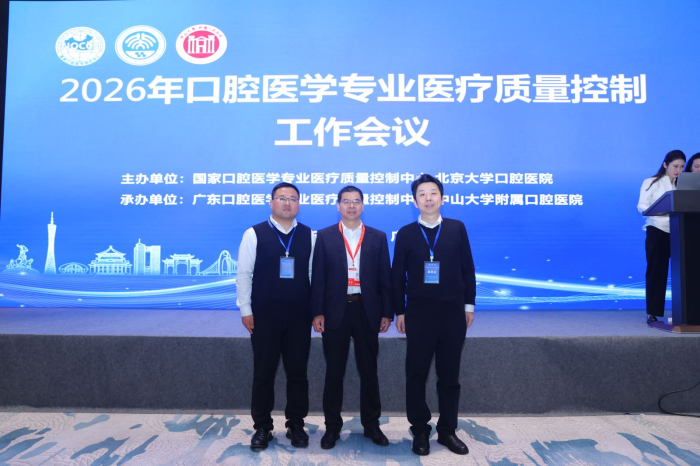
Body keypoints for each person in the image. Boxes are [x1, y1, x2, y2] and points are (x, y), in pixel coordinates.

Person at [391, 174, 475, 457]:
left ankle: (448, 430)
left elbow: (468, 269)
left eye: (433, 193)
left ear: (442, 198)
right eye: (422, 194)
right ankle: (420, 430)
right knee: (416, 373)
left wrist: (469, 306)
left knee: (449, 375)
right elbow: (397, 275)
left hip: (452, 314)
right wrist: (399, 311)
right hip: (419, 315)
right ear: (415, 201)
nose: (428, 198)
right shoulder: (405, 233)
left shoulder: (457, 228)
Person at [311, 185, 393, 449]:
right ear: (338, 206)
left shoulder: (377, 237)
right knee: (334, 372)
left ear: (363, 206)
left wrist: (387, 312)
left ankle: (372, 425)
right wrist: (317, 311)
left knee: (369, 371)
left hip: (367, 310)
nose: (351, 206)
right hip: (335, 310)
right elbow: (318, 277)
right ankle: (332, 427)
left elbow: (385, 277)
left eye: (356, 201)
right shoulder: (325, 236)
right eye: (346, 201)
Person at [236, 182, 315, 451]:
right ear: (271, 203)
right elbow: (244, 274)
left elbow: (313, 276)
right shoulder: (254, 233)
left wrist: (316, 311)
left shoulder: (309, 235)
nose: (287, 203)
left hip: (299, 316)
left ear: (299, 204)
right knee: (263, 373)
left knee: (298, 373)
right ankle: (262, 427)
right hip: (264, 316)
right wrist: (245, 309)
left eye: (293, 198)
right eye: (282, 198)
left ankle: (296, 424)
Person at [637, 150, 686, 324]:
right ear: (665, 165)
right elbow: (642, 206)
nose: (678, 170)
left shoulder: (684, 185)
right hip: (657, 230)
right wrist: (660, 210)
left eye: (682, 167)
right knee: (657, 273)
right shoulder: (651, 182)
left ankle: (686, 313)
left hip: (680, 231)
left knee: (684, 274)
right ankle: (653, 313)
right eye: (675, 166)